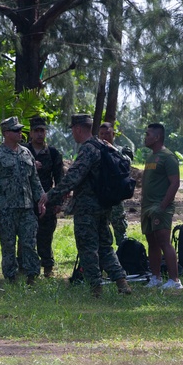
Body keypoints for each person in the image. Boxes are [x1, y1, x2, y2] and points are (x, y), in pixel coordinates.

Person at [39, 114, 132, 297]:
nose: (73, 133)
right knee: (105, 245)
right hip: (104, 204)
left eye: (73, 129)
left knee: (87, 247)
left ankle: (95, 287)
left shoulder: (88, 149)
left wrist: (48, 196)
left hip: (87, 208)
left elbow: (73, 177)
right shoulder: (102, 145)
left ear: (78, 129)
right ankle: (121, 281)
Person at [0, 117, 46, 285]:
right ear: (6, 133)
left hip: (26, 208)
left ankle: (31, 277)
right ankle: (11, 278)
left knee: (29, 243)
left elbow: (34, 180)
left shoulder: (26, 153)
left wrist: (41, 200)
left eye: (20, 130)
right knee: (8, 245)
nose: (20, 133)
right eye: (16, 130)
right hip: (6, 210)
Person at [21, 116, 65, 277]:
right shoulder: (23, 151)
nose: (40, 134)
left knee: (46, 235)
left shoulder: (53, 153)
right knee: (26, 235)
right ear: (31, 133)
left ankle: (47, 266)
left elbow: (59, 178)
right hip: (26, 200)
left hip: (47, 200)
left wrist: (59, 201)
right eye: (36, 131)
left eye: (42, 130)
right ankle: (24, 267)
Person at [141, 122, 182, 290]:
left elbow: (175, 183)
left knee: (164, 241)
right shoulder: (151, 157)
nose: (146, 137)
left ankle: (175, 280)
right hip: (147, 207)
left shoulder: (168, 157)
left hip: (160, 206)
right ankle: (156, 277)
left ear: (157, 137)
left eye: (148, 134)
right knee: (152, 242)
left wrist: (163, 205)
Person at [98, 121, 133, 246]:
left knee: (119, 226)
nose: (104, 137)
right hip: (101, 195)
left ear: (113, 134)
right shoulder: (95, 151)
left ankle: (123, 255)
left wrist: (112, 150)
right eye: (101, 134)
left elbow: (127, 163)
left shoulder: (121, 150)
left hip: (116, 195)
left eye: (107, 134)